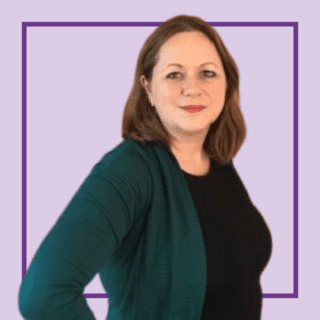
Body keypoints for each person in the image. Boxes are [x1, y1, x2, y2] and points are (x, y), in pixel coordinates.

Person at [18, 14, 273, 320]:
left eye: (207, 73)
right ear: (148, 88)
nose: (192, 88)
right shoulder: (128, 170)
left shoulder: (218, 162)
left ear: (228, 84)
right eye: (174, 75)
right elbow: (43, 294)